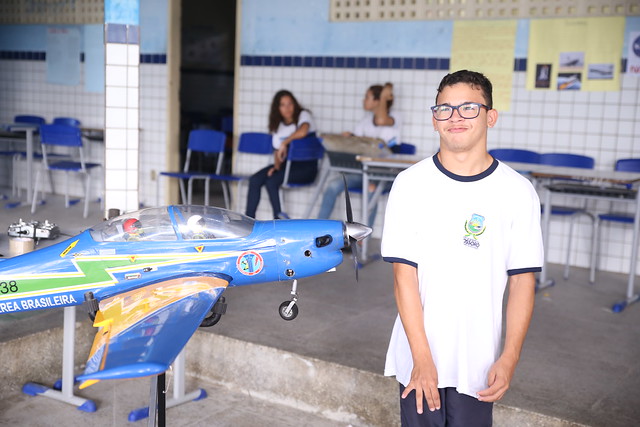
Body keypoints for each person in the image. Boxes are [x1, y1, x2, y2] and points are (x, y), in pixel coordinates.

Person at [381, 70, 543, 426]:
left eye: (469, 107)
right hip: (419, 356)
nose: (455, 117)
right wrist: (421, 359)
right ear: (434, 120)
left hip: (478, 360)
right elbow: (403, 277)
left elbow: (522, 281)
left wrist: (510, 356)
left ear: (491, 116)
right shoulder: (410, 184)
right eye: (444, 109)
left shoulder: (517, 192)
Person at [317, 83, 399, 224]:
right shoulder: (365, 121)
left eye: (367, 97)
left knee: (371, 190)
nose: (363, 100)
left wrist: (384, 98)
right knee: (333, 185)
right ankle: (316, 229)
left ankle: (364, 239)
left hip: (385, 175)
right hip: (363, 172)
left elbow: (382, 122)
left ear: (378, 101)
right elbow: (356, 146)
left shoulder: (395, 118)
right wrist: (349, 138)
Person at [245, 90, 317, 219]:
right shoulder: (278, 127)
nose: (287, 108)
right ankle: (248, 221)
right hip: (285, 167)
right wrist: (276, 167)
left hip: (306, 169)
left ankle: (278, 222)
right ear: (277, 108)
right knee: (255, 180)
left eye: (290, 103)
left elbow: (303, 132)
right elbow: (276, 153)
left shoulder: (303, 115)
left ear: (295, 104)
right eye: (283, 105)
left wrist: (286, 142)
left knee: (272, 181)